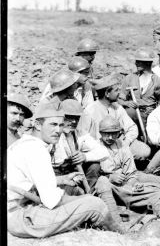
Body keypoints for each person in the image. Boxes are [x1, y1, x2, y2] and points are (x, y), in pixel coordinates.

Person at [7, 102, 121, 238]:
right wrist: (86, 199)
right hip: (21, 216)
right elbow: (52, 200)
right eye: (53, 124)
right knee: (95, 204)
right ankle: (121, 235)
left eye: (61, 125)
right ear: (37, 125)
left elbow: (28, 182)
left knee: (76, 193)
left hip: (18, 211)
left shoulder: (26, 143)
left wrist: (61, 180)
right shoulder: (36, 149)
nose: (58, 130)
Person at [95, 117, 160, 220]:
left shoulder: (122, 145)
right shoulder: (95, 147)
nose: (110, 137)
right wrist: (109, 177)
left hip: (125, 184)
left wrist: (132, 185)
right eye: (106, 134)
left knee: (159, 187)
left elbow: (131, 172)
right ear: (100, 133)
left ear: (119, 133)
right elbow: (92, 177)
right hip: (108, 186)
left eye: (114, 133)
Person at [84, 74, 151, 161]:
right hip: (100, 145)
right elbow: (85, 137)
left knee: (144, 151)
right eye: (116, 90)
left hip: (119, 142)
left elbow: (132, 127)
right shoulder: (90, 110)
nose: (119, 93)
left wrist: (126, 142)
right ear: (107, 93)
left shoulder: (117, 107)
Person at [51, 99, 109, 193]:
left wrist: (85, 156)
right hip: (56, 174)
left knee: (95, 166)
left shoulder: (79, 134)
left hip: (72, 171)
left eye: (77, 118)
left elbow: (104, 152)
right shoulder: (51, 134)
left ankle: (90, 192)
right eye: (69, 118)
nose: (74, 121)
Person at [119, 49, 160, 125]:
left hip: (151, 114)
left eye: (139, 62)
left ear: (148, 63)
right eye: (136, 61)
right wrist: (126, 103)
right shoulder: (130, 78)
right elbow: (119, 99)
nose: (136, 64)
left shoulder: (158, 81)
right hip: (133, 113)